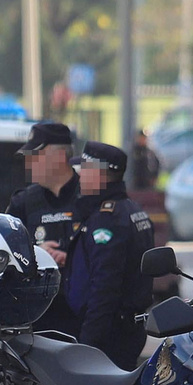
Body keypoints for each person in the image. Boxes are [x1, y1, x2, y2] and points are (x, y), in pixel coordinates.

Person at [65, 141, 156, 369]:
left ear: (99, 175)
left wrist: (87, 345)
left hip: (110, 335)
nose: (80, 178)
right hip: (125, 328)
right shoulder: (132, 210)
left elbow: (105, 286)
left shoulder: (107, 219)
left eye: (84, 171)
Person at [7, 121, 82, 336]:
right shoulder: (23, 202)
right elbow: (3, 250)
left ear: (59, 157)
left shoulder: (89, 198)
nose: (29, 163)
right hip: (37, 319)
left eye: (35, 156)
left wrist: (72, 257)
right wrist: (35, 252)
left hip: (81, 320)